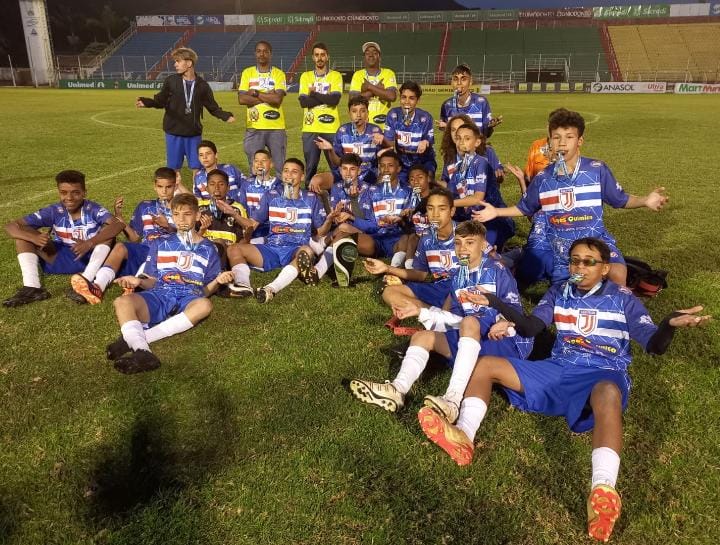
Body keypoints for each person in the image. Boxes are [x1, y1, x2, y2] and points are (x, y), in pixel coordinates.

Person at [416, 237, 710, 542]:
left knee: (608, 393)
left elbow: (654, 345)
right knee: (485, 364)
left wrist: (668, 324)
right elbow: (531, 328)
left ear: (605, 268)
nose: (579, 267)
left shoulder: (623, 298)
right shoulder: (559, 291)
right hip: (560, 367)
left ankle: (603, 490)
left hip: (603, 371)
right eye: (574, 260)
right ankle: (464, 435)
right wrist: (494, 302)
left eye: (588, 262)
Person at [350, 220, 532, 418]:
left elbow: (515, 311)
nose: (462, 248)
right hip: (475, 338)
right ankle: (397, 389)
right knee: (422, 337)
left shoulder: (498, 270)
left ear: (482, 245)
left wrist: (503, 323)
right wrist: (420, 312)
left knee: (469, 322)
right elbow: (454, 319)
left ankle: (452, 401)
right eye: (458, 243)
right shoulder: (458, 276)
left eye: (470, 243)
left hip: (506, 342)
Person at [473, 109, 669, 286]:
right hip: (561, 248)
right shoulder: (543, 178)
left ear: (579, 141)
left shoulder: (597, 170)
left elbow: (621, 199)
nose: (562, 143)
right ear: (549, 141)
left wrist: (645, 200)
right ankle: (527, 261)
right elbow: (525, 207)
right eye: (556, 137)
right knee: (567, 290)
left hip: (595, 240)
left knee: (617, 274)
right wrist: (496, 211)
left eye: (569, 137)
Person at [106, 194, 234, 374]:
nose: (181, 219)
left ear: (197, 215)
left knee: (205, 305)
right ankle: (143, 352)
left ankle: (135, 341)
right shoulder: (160, 243)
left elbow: (204, 292)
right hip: (161, 294)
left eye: (187, 214)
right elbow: (152, 281)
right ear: (172, 216)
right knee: (122, 302)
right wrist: (139, 281)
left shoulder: (209, 249)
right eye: (176, 214)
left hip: (189, 297)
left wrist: (217, 281)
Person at [3, 170, 124, 307]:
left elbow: (118, 225)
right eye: (64, 192)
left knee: (107, 232)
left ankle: (87, 279)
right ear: (59, 192)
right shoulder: (53, 211)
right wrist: (33, 238)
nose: (69, 197)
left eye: (75, 192)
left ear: (84, 193)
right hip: (60, 256)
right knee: (23, 235)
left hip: (89, 256)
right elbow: (11, 226)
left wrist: (90, 243)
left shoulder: (93, 209)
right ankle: (32, 287)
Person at [226, 158, 334, 302]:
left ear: (302, 176)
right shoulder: (271, 195)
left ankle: (272, 288)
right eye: (286, 171)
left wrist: (329, 220)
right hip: (272, 248)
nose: (289, 175)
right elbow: (252, 224)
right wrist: (233, 214)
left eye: (294, 172)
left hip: (296, 249)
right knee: (234, 249)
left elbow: (320, 232)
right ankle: (243, 284)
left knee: (306, 252)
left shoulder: (311, 198)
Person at [69, 168, 178, 305]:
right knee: (120, 246)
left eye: (169, 187)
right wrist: (120, 218)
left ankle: (135, 287)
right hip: (145, 249)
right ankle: (98, 286)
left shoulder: (181, 209)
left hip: (166, 253)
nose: (164, 191)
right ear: (154, 186)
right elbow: (134, 238)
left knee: (151, 259)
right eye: (160, 186)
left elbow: (187, 238)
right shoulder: (144, 206)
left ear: (175, 186)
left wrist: (168, 227)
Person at [136, 48, 235, 174]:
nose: (175, 64)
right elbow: (161, 101)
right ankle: (175, 187)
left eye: (178, 61)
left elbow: (212, 107)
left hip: (193, 133)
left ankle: (196, 187)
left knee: (197, 167)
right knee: (173, 167)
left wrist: (225, 116)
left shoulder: (202, 86)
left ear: (189, 63)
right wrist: (148, 102)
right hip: (173, 132)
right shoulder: (171, 81)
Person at [327, 151, 411, 264]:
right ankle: (320, 267)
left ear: (399, 168)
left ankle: (396, 268)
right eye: (382, 166)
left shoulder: (408, 192)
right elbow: (370, 224)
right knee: (343, 235)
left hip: (396, 238)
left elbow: (413, 222)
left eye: (390, 165)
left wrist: (401, 219)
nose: (386, 169)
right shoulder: (372, 191)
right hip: (373, 239)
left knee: (406, 240)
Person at [447, 123, 515, 250]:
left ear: (477, 142)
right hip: (473, 219)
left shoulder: (481, 163)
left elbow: (478, 198)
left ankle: (511, 256)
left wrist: (449, 203)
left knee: (481, 251)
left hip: (494, 218)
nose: (461, 142)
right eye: (458, 138)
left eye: (467, 138)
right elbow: (450, 194)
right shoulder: (458, 167)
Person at [309, 96, 385, 195]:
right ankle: (326, 202)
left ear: (367, 113)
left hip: (369, 174)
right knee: (316, 181)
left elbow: (383, 159)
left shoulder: (376, 131)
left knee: (385, 179)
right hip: (346, 174)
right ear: (349, 113)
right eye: (354, 111)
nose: (358, 115)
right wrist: (330, 150)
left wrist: (383, 143)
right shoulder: (342, 132)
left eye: (362, 111)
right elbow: (337, 163)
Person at [237, 41, 287, 174]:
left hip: (276, 128)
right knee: (255, 168)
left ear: (270, 54)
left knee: (280, 168)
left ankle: (282, 188)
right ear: (255, 53)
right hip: (254, 127)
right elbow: (242, 99)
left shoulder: (279, 74)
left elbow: (277, 100)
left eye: (265, 51)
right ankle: (256, 188)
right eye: (259, 51)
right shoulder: (247, 73)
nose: (262, 54)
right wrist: (268, 96)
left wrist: (256, 93)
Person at [298, 42, 343, 187]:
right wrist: (325, 97)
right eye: (317, 55)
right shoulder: (305, 76)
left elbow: (334, 100)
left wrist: (314, 94)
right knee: (310, 167)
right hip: (310, 128)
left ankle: (339, 193)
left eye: (322, 55)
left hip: (331, 129)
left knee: (336, 166)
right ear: (313, 57)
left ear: (327, 57)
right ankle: (310, 195)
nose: (320, 58)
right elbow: (304, 102)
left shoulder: (335, 76)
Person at [197, 169, 250, 270]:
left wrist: (234, 214)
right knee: (217, 243)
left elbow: (246, 235)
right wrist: (202, 230)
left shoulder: (237, 208)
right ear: (207, 188)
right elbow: (192, 240)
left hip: (229, 253)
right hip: (205, 253)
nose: (216, 188)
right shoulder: (199, 208)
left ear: (228, 188)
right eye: (212, 184)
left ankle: (221, 272)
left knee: (220, 243)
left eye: (221, 184)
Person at [384, 81, 436, 183]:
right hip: (402, 162)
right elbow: (389, 143)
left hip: (423, 161)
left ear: (418, 100)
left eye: (411, 98)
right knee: (393, 183)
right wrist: (383, 140)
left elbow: (429, 142)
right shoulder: (393, 115)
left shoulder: (425, 117)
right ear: (400, 98)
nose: (407, 102)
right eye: (404, 97)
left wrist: (425, 142)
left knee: (425, 182)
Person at [349, 42, 397, 129]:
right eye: (367, 53)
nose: (371, 55)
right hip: (362, 126)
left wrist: (369, 87)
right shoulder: (358, 75)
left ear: (380, 57)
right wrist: (379, 90)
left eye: (374, 52)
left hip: (384, 126)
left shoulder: (388, 73)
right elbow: (352, 99)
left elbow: (392, 96)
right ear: (364, 57)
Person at [439, 64, 495, 137]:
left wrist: (490, 127)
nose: (459, 83)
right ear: (451, 82)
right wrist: (445, 128)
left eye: (463, 79)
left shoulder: (481, 102)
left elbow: (486, 134)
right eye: (455, 79)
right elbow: (448, 136)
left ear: (470, 82)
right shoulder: (446, 105)